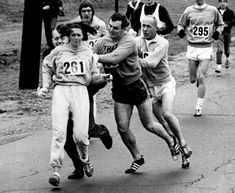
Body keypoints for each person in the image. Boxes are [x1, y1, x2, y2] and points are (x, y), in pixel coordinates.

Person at [93, 12, 180, 174]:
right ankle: (137, 157)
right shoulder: (101, 42)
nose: (111, 30)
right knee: (122, 128)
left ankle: (170, 140)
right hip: (119, 89)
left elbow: (114, 58)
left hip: (136, 86)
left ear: (124, 29)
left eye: (116, 28)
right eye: (110, 26)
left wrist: (93, 57)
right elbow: (92, 62)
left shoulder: (129, 41)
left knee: (149, 124)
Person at [37, 22, 111, 186]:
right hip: (61, 91)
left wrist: (103, 78)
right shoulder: (58, 51)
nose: (76, 38)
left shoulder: (88, 53)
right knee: (59, 133)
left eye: (79, 35)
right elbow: (47, 66)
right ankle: (55, 170)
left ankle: (85, 159)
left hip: (80, 91)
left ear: (83, 36)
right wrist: (45, 86)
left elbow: (92, 77)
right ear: (68, 36)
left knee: (80, 135)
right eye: (73, 35)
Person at [135, 15, 192, 168]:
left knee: (167, 113)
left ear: (156, 28)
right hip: (150, 87)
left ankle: (183, 142)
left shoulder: (163, 42)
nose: (145, 29)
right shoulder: (137, 41)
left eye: (148, 26)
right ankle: (176, 150)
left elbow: (151, 63)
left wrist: (131, 60)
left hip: (165, 83)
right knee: (164, 125)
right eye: (143, 26)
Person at [177, 0, 224, 117]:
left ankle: (199, 106)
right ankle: (197, 78)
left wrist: (217, 32)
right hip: (192, 47)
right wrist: (181, 31)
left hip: (206, 47)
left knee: (201, 76)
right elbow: (180, 24)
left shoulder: (213, 10)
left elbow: (220, 24)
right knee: (193, 79)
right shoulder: (189, 10)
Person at [215, 0, 235, 73]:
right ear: (219, 3)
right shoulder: (216, 11)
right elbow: (213, 20)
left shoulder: (230, 12)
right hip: (219, 33)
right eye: (221, 2)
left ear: (227, 3)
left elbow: (234, 21)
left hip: (227, 32)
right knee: (219, 48)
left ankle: (227, 58)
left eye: (224, 2)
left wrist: (227, 24)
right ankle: (219, 65)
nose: (222, 3)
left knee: (227, 49)